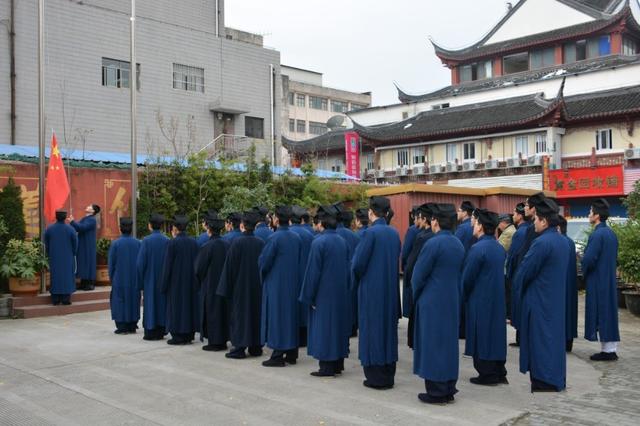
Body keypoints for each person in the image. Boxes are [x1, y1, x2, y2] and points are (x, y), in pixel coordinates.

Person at [411, 204, 464, 404]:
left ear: (435, 221)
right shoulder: (457, 244)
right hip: (451, 299)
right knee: (448, 344)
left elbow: (418, 276)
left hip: (432, 300)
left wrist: (417, 296)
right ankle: (449, 387)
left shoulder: (433, 244)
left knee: (432, 344)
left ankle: (436, 390)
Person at [514, 198, 568, 392]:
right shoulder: (562, 242)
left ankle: (544, 381)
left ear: (544, 221)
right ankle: (555, 378)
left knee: (540, 341)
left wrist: (518, 294)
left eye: (536, 218)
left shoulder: (541, 243)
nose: (534, 222)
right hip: (554, 301)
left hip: (539, 301)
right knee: (553, 341)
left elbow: (524, 272)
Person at [351, 196, 401, 390]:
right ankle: (388, 373)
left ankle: (375, 376)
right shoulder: (393, 233)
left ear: (371, 212)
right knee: (388, 331)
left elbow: (358, 264)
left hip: (371, 289)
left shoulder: (370, 233)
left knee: (372, 331)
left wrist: (355, 281)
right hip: (389, 288)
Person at [299, 205, 351, 377]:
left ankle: (326, 366)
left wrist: (309, 296)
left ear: (321, 223)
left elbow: (312, 272)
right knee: (337, 327)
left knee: (325, 328)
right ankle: (337, 363)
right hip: (340, 291)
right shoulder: (342, 241)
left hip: (323, 293)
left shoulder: (319, 242)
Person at [462, 209, 508, 386]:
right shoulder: (498, 247)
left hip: (480, 299)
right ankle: (498, 370)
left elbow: (468, 278)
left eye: (475, 222)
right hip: (496, 299)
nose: (473, 225)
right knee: (495, 335)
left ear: (481, 226)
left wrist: (463, 295)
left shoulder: (477, 248)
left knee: (481, 336)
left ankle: (486, 374)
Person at [217, 211, 265, 359]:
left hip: (240, 286)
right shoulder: (261, 243)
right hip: (257, 285)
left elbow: (229, 267)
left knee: (240, 316)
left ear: (242, 226)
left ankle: (239, 347)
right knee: (256, 315)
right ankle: (256, 346)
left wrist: (226, 288)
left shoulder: (237, 243)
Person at [259, 205, 302, 367]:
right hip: (292, 281)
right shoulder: (296, 237)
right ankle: (291, 353)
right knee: (290, 316)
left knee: (277, 317)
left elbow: (264, 262)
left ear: (276, 219)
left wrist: (263, 275)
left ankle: (277, 354)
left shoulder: (274, 238)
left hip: (276, 282)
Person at [582, 198, 620, 361]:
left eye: (590, 211)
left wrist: (583, 269)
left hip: (598, 280)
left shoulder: (597, 234)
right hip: (609, 279)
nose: (589, 214)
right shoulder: (611, 233)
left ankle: (608, 351)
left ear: (597, 215)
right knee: (609, 312)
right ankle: (610, 348)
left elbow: (589, 259)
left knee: (601, 312)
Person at [509, 193, 545, 347]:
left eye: (527, 205)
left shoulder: (532, 231)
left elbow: (522, 258)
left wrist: (518, 278)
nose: (524, 208)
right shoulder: (533, 229)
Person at [161, 215, 199, 345]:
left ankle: (177, 335)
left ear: (176, 228)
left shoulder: (173, 243)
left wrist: (164, 284)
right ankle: (189, 334)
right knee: (189, 307)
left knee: (176, 307)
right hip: (191, 281)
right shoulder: (194, 242)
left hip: (176, 282)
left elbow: (167, 265)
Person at [194, 210, 230, 351]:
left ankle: (214, 341)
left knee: (212, 312)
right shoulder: (226, 244)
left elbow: (198, 269)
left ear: (208, 228)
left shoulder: (207, 246)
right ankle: (222, 340)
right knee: (222, 312)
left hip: (210, 284)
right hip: (224, 283)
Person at [404, 203, 437, 349]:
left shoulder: (422, 237)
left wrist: (409, 281)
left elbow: (411, 262)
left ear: (424, 219)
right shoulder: (434, 236)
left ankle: (414, 341)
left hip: (421, 281)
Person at [137, 213, 170, 341]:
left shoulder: (146, 241)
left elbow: (140, 264)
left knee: (150, 303)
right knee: (162, 303)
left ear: (150, 226)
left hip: (149, 279)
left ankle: (151, 331)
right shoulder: (167, 240)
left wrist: (140, 281)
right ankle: (162, 329)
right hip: (163, 278)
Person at [109, 217, 142, 334]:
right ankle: (132, 324)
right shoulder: (138, 243)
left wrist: (111, 278)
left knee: (119, 300)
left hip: (119, 277)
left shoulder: (115, 244)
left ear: (120, 228)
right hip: (134, 278)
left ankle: (122, 326)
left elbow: (111, 264)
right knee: (133, 299)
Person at [290, 206, 314, 347]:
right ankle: (305, 338)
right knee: (304, 308)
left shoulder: (289, 234)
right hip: (305, 274)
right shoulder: (310, 235)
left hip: (291, 276)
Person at [334, 202, 360, 337]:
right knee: (351, 302)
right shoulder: (355, 236)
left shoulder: (331, 236)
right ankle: (352, 327)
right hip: (351, 274)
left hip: (336, 275)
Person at [44, 210, 78, 306]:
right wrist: (73, 253)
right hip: (68, 256)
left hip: (54, 256)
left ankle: (55, 299)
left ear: (56, 217)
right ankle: (66, 299)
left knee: (55, 276)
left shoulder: (49, 229)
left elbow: (46, 243)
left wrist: (49, 252)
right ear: (65, 217)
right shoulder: (70, 229)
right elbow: (75, 243)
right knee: (67, 276)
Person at [505, 203, 529, 324]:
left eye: (514, 213)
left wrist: (509, 273)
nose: (513, 216)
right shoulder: (529, 229)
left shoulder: (520, 232)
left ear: (520, 216)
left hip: (517, 272)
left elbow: (512, 255)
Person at [558, 215, 578, 353]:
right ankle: (569, 341)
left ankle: (562, 342)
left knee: (562, 312)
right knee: (570, 311)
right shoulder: (570, 242)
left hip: (560, 283)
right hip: (571, 282)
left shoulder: (559, 242)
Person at [69, 204, 100, 291]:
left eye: (90, 206)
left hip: (88, 245)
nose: (88, 206)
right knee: (83, 262)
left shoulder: (92, 220)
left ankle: (90, 283)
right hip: (83, 243)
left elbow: (82, 227)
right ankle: (83, 282)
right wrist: (73, 222)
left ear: (93, 211)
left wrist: (72, 222)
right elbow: (77, 227)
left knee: (88, 262)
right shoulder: (86, 218)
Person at [401, 206, 421, 273]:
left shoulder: (412, 230)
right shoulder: (430, 231)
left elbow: (406, 251)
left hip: (412, 266)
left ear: (412, 215)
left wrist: (403, 266)